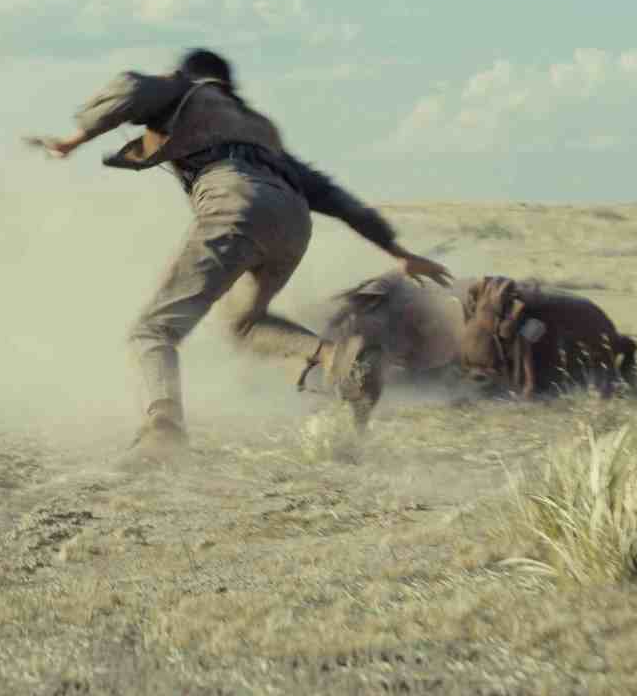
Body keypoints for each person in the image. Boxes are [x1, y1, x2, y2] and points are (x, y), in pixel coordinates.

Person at [27, 48, 453, 466]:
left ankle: (163, 433)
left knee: (153, 331)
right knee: (244, 322)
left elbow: (132, 88)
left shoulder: (187, 91)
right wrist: (399, 252)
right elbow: (333, 195)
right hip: (292, 221)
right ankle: (337, 358)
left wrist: (73, 140)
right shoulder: (261, 128)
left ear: (189, 74)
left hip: (235, 204)